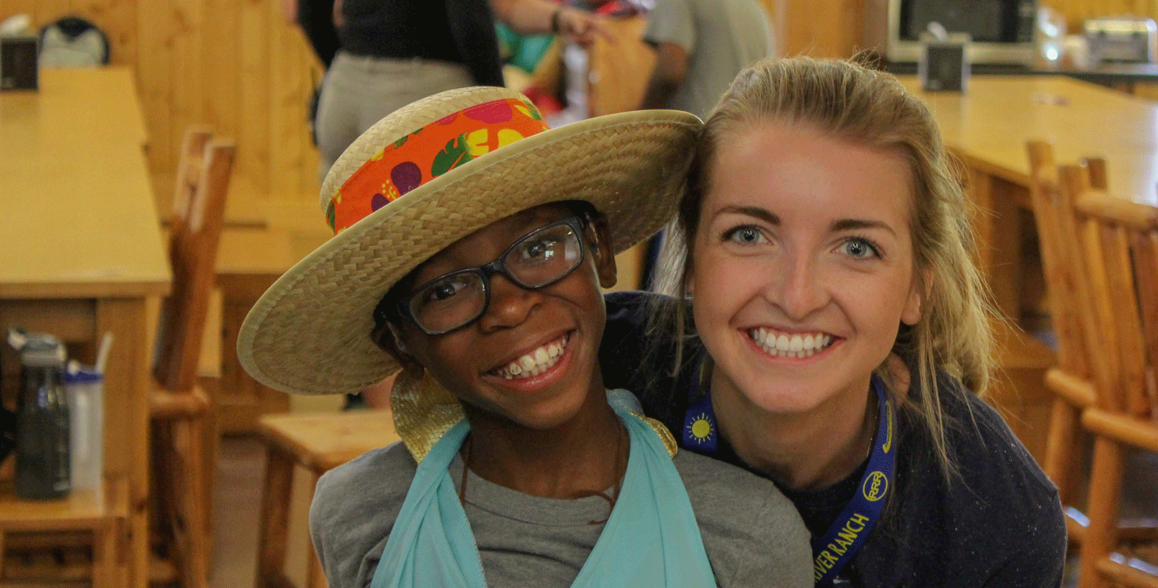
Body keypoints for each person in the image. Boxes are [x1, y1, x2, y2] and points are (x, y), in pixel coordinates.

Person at [236, 87, 810, 587]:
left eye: (538, 250)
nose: (509, 307)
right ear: (400, 344)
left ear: (600, 252)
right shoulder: (361, 514)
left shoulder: (741, 536)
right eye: (446, 290)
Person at [602, 57, 1068, 585]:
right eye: (749, 235)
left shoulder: (996, 518)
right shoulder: (595, 376)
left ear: (917, 287)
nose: (796, 298)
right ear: (689, 260)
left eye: (856, 247)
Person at [295, 0, 607, 182]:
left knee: (359, 258)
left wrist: (557, 18)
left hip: (343, 94)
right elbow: (469, 19)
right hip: (418, 96)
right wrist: (501, 106)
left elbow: (308, 11)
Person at [637, 0, 773, 119]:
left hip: (698, 136)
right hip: (743, 135)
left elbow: (669, 73)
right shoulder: (756, 9)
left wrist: (640, 121)